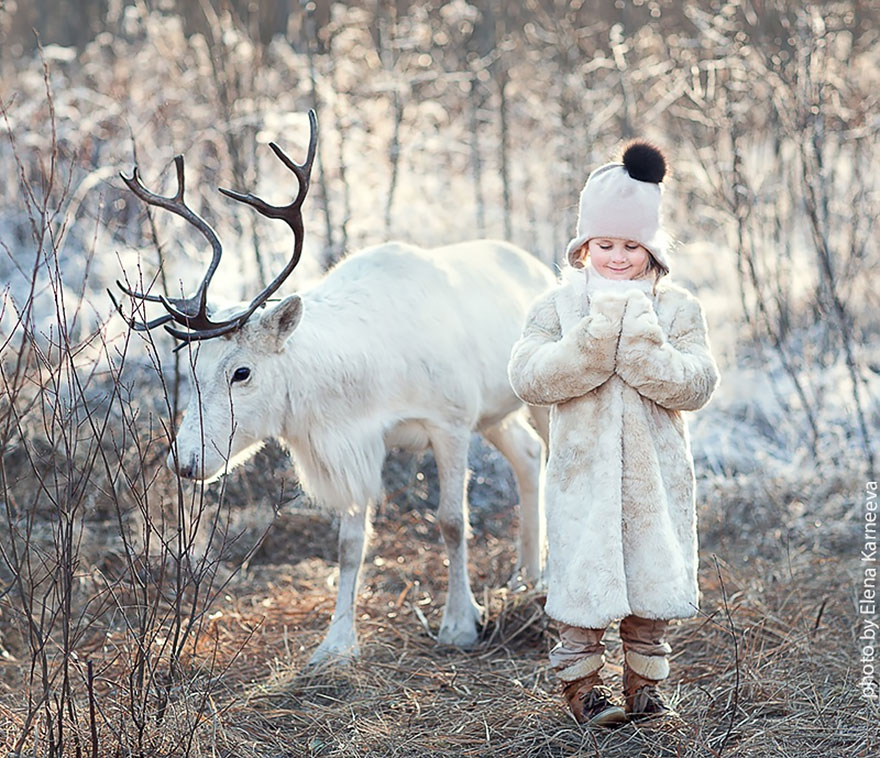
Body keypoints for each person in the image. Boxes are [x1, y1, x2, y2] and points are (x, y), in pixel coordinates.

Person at [508, 142, 719, 727]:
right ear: (583, 248)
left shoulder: (676, 310)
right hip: (583, 480)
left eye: (631, 246)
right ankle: (582, 690)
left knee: (651, 592)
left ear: (650, 248)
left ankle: (647, 689)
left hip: (655, 481)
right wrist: (596, 338)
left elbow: (696, 385)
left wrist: (645, 343)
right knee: (582, 588)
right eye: (605, 245)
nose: (618, 257)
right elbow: (529, 376)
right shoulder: (556, 307)